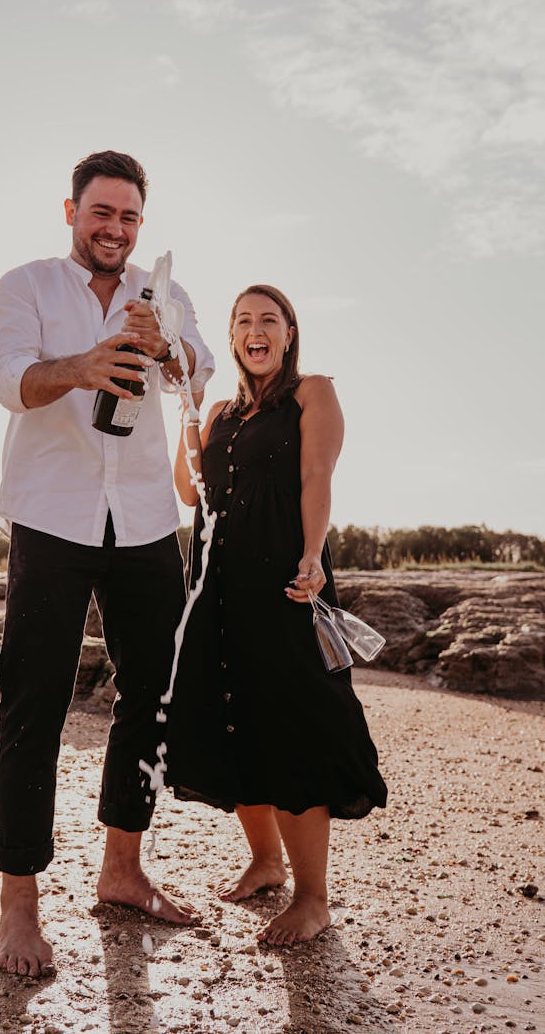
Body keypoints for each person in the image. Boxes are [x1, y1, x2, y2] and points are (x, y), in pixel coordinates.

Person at [0, 150, 214, 977]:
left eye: (128, 217)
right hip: (51, 515)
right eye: (101, 212)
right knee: (33, 702)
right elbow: (10, 381)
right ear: (72, 211)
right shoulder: (26, 286)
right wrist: (83, 365)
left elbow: (198, 378)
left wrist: (169, 352)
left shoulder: (165, 292)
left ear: (140, 224)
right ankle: (19, 907)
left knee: (153, 693)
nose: (114, 229)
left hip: (148, 515)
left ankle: (123, 868)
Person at [168, 284, 387, 946]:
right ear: (233, 337)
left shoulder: (312, 391)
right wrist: (186, 413)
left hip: (288, 579)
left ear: (289, 333)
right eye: (243, 321)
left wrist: (313, 555)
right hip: (218, 586)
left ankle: (312, 896)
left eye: (268, 319)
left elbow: (317, 473)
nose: (254, 329)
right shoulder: (222, 408)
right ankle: (266, 860)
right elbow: (189, 489)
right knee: (234, 719)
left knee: (296, 726)